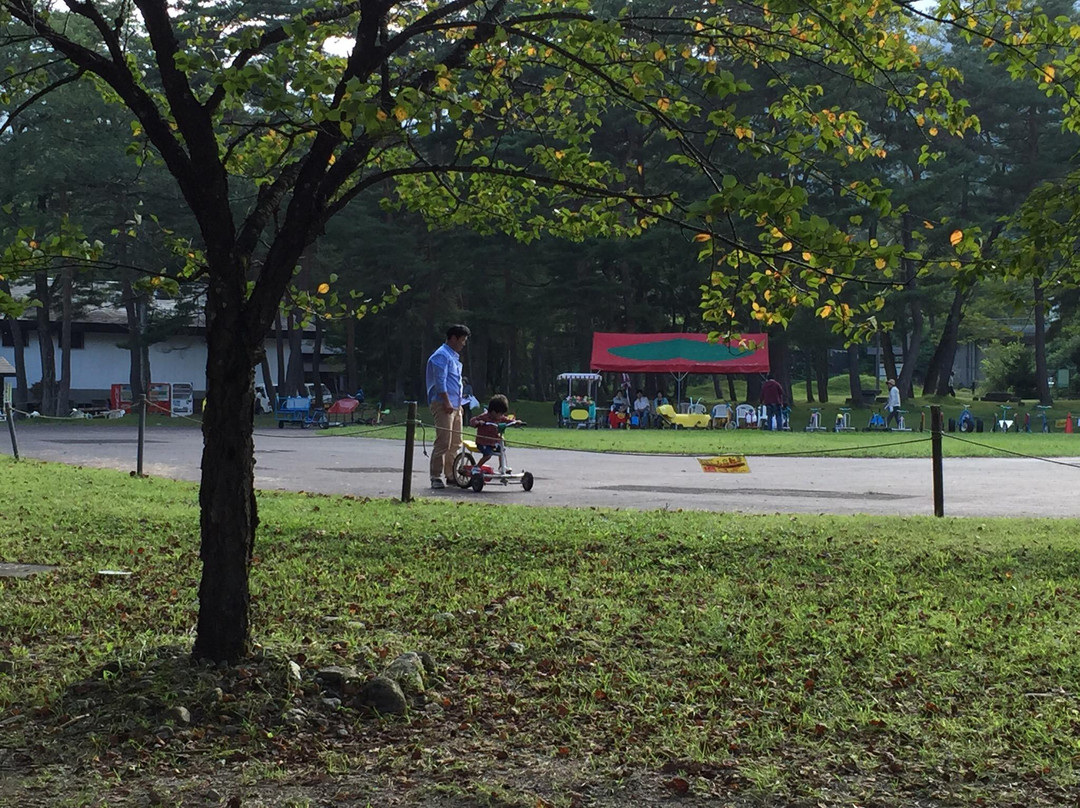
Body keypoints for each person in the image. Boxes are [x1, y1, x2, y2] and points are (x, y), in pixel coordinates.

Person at [425, 324, 470, 489]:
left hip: (455, 405)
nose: (463, 344)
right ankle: (435, 476)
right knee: (444, 440)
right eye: (462, 340)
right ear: (453, 338)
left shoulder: (453, 357)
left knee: (456, 442)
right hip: (444, 404)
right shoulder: (441, 356)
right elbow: (440, 381)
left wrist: (459, 404)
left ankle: (450, 475)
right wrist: (446, 402)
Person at [469, 394, 513, 472]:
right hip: (483, 442)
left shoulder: (500, 417)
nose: (501, 416)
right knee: (488, 455)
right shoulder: (484, 417)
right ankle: (476, 467)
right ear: (493, 412)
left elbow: (507, 420)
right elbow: (472, 420)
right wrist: (478, 422)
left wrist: (516, 422)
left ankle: (502, 467)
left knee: (502, 449)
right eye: (500, 413)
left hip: (494, 442)